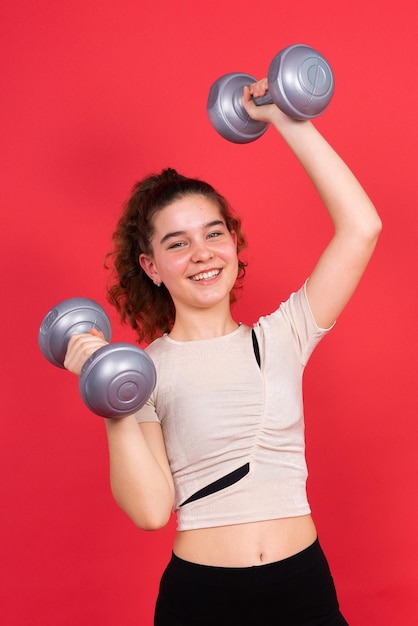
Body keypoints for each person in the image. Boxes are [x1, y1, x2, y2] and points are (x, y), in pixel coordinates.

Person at [64, 79, 382, 625]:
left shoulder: (284, 334)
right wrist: (105, 387)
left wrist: (284, 118)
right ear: (151, 268)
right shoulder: (143, 373)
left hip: (301, 586)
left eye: (215, 234)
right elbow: (148, 511)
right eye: (177, 243)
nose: (202, 254)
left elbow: (362, 227)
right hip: (202, 599)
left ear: (234, 244)